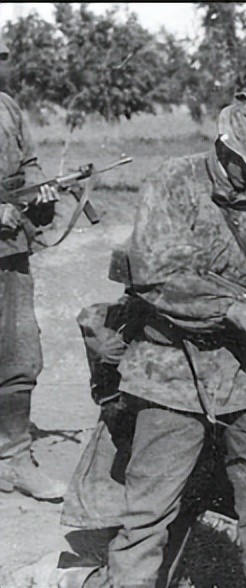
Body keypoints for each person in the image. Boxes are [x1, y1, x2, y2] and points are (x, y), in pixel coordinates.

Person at [98, 92, 246, 587]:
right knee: (147, 516)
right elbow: (155, 275)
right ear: (225, 148)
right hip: (171, 375)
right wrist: (230, 309)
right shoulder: (173, 181)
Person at [0, 32, 67, 502]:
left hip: (10, 251)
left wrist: (40, 188)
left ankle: (13, 459)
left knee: (19, 353)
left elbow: (30, 161)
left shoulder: (7, 107)